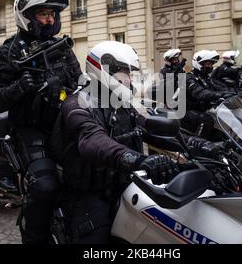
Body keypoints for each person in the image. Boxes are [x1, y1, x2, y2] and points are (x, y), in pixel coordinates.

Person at [58, 41, 219, 243]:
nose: (130, 80)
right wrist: (139, 160)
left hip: (125, 183)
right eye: (126, 73)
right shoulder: (77, 103)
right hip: (91, 193)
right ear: (105, 69)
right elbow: (92, 140)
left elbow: (151, 128)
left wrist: (203, 146)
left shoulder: (122, 104)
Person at [0, 0, 82, 244]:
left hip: (65, 126)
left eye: (53, 14)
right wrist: (18, 88)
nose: (50, 19)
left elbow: (81, 84)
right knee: (44, 186)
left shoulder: (63, 49)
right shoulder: (7, 52)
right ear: (27, 15)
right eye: (43, 13)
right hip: (30, 130)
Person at [181, 50, 232, 139]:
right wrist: (219, 95)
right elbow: (200, 93)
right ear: (199, 63)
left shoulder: (206, 77)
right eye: (208, 64)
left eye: (211, 64)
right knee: (207, 120)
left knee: (226, 115)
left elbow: (218, 86)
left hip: (203, 108)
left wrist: (232, 92)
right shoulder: (189, 78)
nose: (210, 66)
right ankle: (197, 146)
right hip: (187, 110)